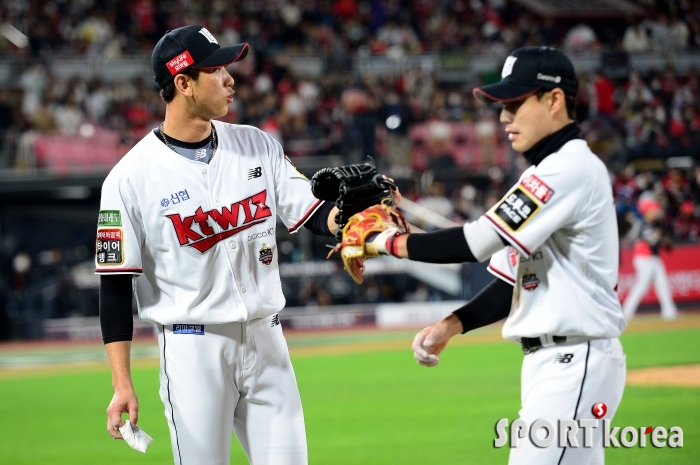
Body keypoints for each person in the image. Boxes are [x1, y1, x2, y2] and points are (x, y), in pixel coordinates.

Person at [95, 25, 399, 465]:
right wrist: (121, 382)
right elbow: (115, 286)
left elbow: (316, 215)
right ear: (183, 83)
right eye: (217, 70)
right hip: (192, 348)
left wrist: (354, 212)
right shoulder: (128, 178)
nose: (231, 79)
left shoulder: (257, 145)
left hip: (267, 340)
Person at [364, 46, 627, 464]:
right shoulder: (543, 173)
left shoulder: (570, 167)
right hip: (557, 363)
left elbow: (474, 242)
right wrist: (453, 325)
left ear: (555, 100)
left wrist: (385, 242)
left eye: (516, 103)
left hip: (574, 360)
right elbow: (511, 282)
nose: (504, 117)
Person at [621, 198, 677, 321]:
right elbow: (654, 240)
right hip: (645, 259)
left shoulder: (655, 225)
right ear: (646, 211)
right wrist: (662, 238)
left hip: (653, 258)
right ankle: (627, 311)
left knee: (662, 284)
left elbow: (666, 245)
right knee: (642, 285)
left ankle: (669, 311)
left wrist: (663, 237)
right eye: (653, 209)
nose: (656, 211)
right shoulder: (644, 224)